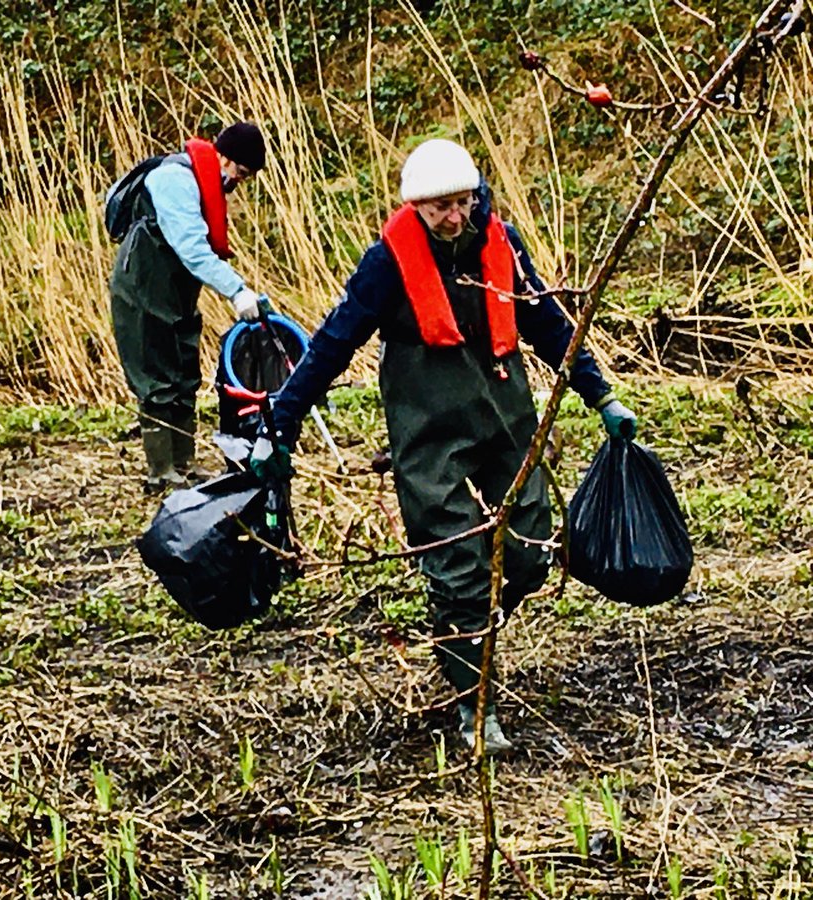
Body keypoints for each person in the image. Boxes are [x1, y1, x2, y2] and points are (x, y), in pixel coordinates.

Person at [251, 138, 637, 754]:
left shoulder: (500, 244)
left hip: (506, 421)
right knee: (458, 574)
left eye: (464, 202)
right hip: (427, 437)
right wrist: (280, 426)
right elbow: (331, 344)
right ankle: (472, 707)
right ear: (416, 209)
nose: (456, 217)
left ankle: (468, 636)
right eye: (439, 209)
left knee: (533, 549)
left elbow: (548, 324)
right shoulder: (386, 263)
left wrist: (601, 396)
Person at [110, 121, 269, 493]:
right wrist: (237, 291)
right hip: (141, 290)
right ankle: (162, 473)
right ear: (223, 156)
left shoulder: (207, 182)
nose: (237, 183)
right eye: (240, 172)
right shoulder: (175, 181)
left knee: (184, 374)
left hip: (178, 294)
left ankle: (184, 465)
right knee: (156, 379)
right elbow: (193, 249)